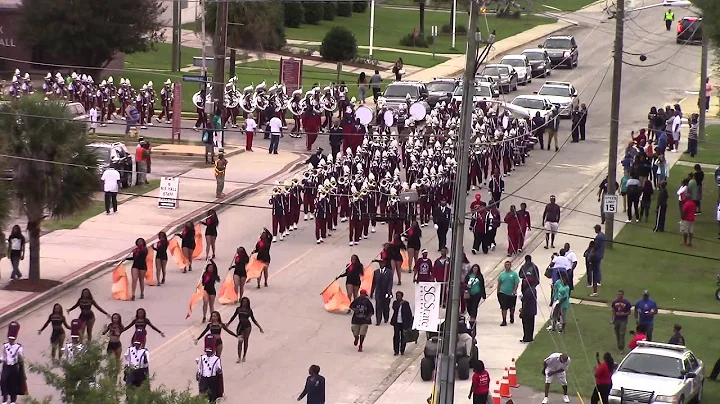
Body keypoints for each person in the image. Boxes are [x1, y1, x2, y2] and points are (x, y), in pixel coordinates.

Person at [227, 297, 264, 363]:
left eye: (245, 302)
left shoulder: (249, 310)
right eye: (243, 301)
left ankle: (244, 355)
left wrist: (259, 327)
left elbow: (253, 320)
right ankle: (239, 357)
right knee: (240, 341)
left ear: (248, 303)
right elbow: (233, 316)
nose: (244, 303)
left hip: (247, 326)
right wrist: (228, 323)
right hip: (240, 326)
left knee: (246, 340)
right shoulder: (238, 309)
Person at [1, 322, 25, 404]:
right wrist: (1, 360)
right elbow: (3, 356)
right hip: (6, 366)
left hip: (14, 366)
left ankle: (13, 400)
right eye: (9, 338)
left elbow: (21, 357)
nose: (10, 340)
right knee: (3, 381)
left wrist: (19, 358)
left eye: (12, 339)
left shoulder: (18, 347)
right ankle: (5, 398)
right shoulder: (5, 346)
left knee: (13, 383)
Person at [197, 335, 223, 403]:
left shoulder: (217, 359)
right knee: (202, 397)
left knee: (212, 398)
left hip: (212, 380)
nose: (208, 353)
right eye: (207, 351)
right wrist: (199, 374)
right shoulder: (202, 358)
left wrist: (219, 372)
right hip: (203, 380)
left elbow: (219, 371)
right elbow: (199, 368)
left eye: (210, 351)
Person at [497, 261, 520, 327]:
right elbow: (499, 283)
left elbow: (516, 283)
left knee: (512, 307)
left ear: (510, 266)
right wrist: (498, 291)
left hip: (511, 294)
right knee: (503, 307)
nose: (507, 266)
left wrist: (514, 290)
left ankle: (511, 315)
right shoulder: (502, 274)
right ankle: (504, 320)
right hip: (503, 293)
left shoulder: (514, 274)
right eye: (506, 265)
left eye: (508, 265)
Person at [390, 291, 413, 356]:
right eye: (397, 296)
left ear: (402, 296)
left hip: (403, 323)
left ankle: (402, 350)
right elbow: (394, 308)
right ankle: (396, 351)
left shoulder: (405, 303)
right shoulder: (395, 303)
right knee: (396, 336)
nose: (398, 297)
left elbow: (409, 313)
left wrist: (409, 322)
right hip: (396, 322)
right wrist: (399, 304)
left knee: (403, 337)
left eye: (399, 296)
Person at [371, 261, 393, 326]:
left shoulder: (389, 272)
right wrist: (372, 291)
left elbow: (390, 283)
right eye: (380, 263)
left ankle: (386, 317)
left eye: (382, 263)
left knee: (385, 306)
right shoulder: (376, 272)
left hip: (386, 292)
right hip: (378, 292)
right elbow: (374, 282)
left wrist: (389, 292)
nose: (381, 264)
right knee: (378, 306)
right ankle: (378, 320)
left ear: (385, 264)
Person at [465, 264, 486, 328]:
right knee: (469, 306)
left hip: (477, 293)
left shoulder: (480, 276)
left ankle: (473, 317)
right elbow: (464, 283)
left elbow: (482, 285)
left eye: (476, 269)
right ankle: (471, 315)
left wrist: (483, 294)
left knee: (474, 305)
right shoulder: (468, 275)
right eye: (474, 268)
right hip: (469, 293)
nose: (475, 270)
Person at [519, 276, 537, 343]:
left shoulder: (528, 291)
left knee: (526, 325)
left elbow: (525, 301)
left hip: (527, 310)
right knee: (531, 325)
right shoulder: (533, 289)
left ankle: (526, 338)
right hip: (532, 310)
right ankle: (530, 338)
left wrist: (522, 310)